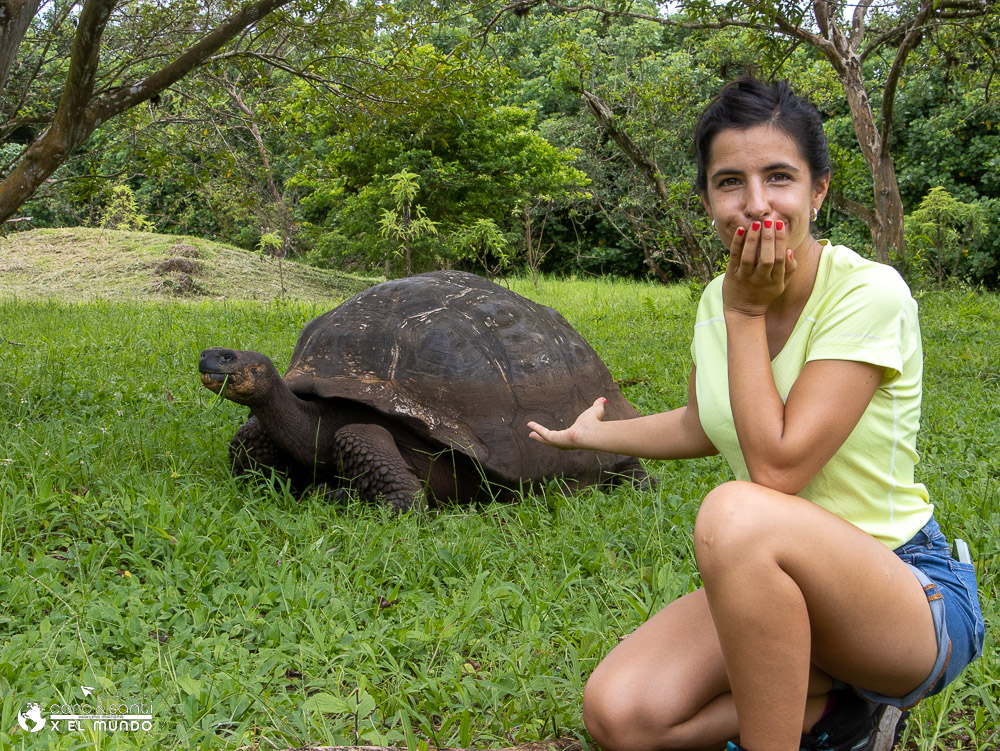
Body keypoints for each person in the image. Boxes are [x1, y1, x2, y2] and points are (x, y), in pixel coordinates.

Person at [527, 77, 984, 751]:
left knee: (736, 512)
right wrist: (593, 434)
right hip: (773, 586)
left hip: (905, 594)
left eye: (779, 177)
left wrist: (746, 313)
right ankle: (837, 715)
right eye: (730, 182)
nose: (757, 204)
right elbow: (702, 420)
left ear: (818, 190)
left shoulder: (867, 293)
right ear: (708, 199)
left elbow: (774, 468)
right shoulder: (716, 298)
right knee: (621, 713)